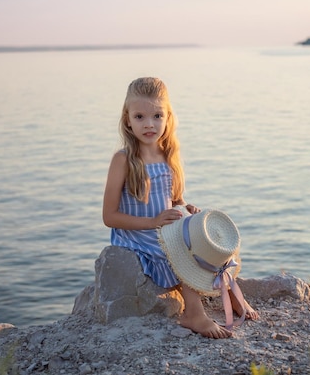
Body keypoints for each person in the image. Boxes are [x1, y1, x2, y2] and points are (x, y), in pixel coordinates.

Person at [103, 77, 257, 339]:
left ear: (167, 117)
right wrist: (153, 223)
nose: (149, 124)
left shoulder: (168, 155)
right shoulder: (123, 160)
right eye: (140, 116)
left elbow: (175, 200)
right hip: (136, 230)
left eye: (156, 115)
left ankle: (228, 292)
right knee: (180, 253)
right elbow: (109, 217)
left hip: (164, 226)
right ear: (127, 119)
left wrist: (187, 207)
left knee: (203, 237)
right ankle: (194, 314)